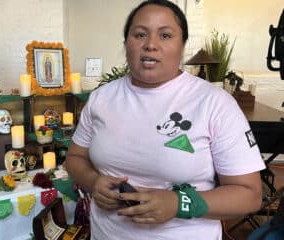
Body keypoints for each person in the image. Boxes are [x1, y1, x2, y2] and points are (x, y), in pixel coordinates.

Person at [65, 0, 265, 239]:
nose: (150, 45)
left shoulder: (215, 103)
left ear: (182, 45)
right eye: (139, 34)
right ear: (126, 42)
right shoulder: (101, 98)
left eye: (165, 35)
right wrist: (93, 181)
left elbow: (250, 195)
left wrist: (178, 203)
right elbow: (75, 158)